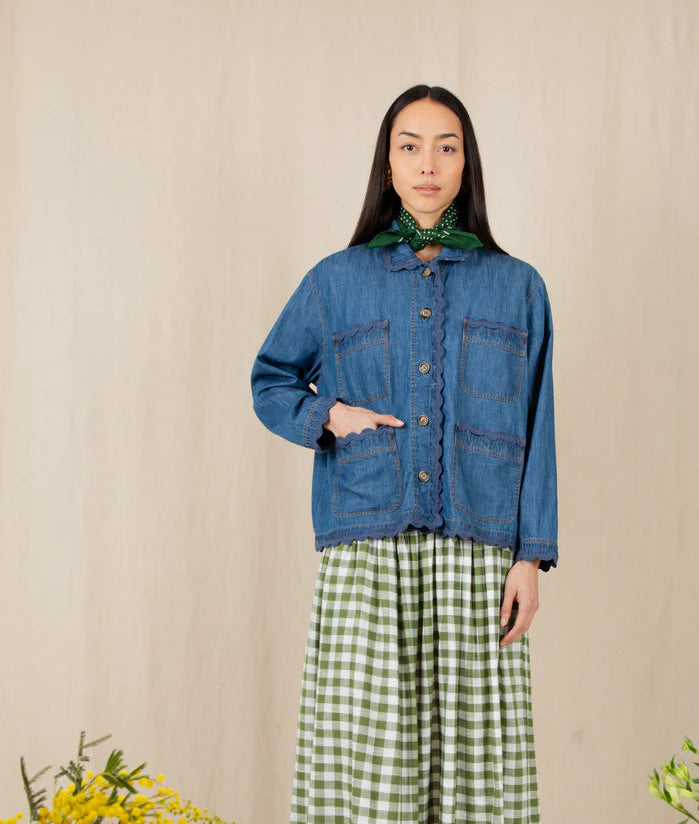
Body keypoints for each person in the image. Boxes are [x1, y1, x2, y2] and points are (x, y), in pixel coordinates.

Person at [250, 83, 558, 823]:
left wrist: (530, 557)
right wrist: (329, 414)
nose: (428, 164)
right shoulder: (335, 281)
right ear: (386, 164)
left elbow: (538, 422)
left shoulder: (517, 287)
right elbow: (271, 380)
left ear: (466, 164)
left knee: (478, 779)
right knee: (371, 773)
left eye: (445, 147)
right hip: (369, 552)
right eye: (409, 146)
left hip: (477, 556)